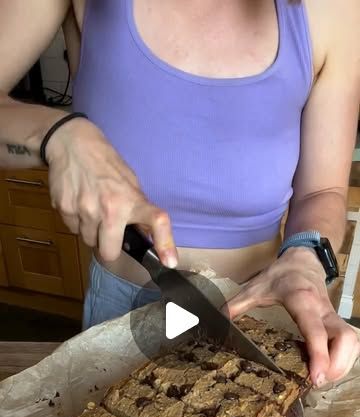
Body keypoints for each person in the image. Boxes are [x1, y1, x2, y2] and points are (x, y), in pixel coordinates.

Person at [0, 0, 359, 388]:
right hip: (117, 316)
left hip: (254, 318)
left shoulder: (336, 10)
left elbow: (322, 191)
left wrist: (305, 258)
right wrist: (55, 134)